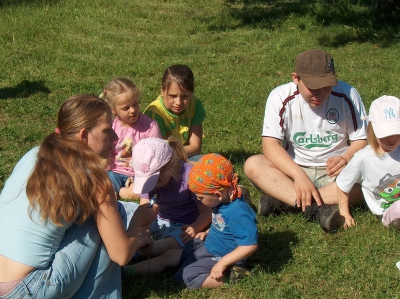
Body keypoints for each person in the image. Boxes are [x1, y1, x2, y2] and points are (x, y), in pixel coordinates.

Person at [0, 95, 158, 298]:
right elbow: (121, 255)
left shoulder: (35, 154)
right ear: (84, 135)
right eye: (107, 130)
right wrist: (138, 220)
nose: (115, 137)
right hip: (31, 289)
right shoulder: (95, 179)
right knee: (114, 216)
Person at [244, 49, 368, 232]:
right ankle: (317, 208)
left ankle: (286, 201)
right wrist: (298, 175)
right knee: (253, 165)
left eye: (326, 86)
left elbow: (361, 139)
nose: (320, 94)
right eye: (313, 87)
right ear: (296, 78)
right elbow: (270, 146)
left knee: (372, 180)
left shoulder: (347, 94)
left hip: (338, 173)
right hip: (295, 170)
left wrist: (346, 158)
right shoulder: (280, 96)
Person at [124, 153, 258, 289]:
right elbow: (223, 225)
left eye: (200, 198)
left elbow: (249, 245)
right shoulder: (221, 202)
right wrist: (207, 232)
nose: (198, 201)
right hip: (208, 247)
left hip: (222, 256)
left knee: (187, 276)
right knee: (169, 255)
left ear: (217, 195)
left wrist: (223, 262)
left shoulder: (238, 213)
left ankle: (231, 276)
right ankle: (128, 271)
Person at [126, 137, 212, 259]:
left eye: (155, 180)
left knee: (174, 241)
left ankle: (137, 254)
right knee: (129, 214)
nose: (153, 185)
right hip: (159, 219)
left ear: (170, 167)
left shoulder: (191, 177)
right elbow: (143, 209)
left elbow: (207, 212)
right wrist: (145, 236)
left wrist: (195, 227)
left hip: (185, 224)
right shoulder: (156, 177)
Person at [327, 95, 400, 229]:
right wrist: (344, 213)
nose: (392, 139)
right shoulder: (364, 157)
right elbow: (343, 185)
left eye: (396, 132)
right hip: (389, 212)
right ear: (372, 130)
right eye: (385, 134)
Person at [99, 78, 162, 200]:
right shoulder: (112, 126)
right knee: (104, 190)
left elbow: (157, 154)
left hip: (140, 174)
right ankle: (116, 192)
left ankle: (123, 192)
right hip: (114, 170)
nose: (132, 110)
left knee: (140, 193)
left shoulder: (150, 126)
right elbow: (105, 151)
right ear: (113, 109)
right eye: (126, 108)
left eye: (135, 104)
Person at [144, 64, 206, 159]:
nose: (179, 102)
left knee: (213, 160)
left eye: (185, 96)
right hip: (160, 161)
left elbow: (196, 147)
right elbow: (160, 152)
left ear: (192, 93)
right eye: (173, 96)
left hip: (184, 156)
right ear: (163, 91)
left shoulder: (194, 105)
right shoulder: (155, 113)